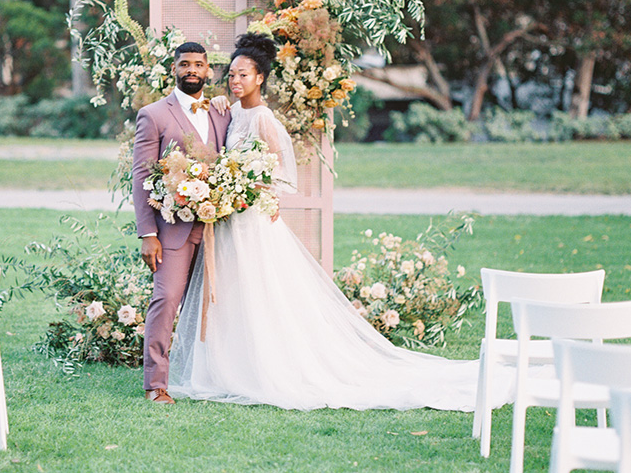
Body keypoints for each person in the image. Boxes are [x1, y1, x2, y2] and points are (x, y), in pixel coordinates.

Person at [167, 32, 513, 411]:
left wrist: (250, 188)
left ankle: (265, 368)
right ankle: (227, 367)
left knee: (259, 294)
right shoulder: (230, 112)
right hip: (231, 223)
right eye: (231, 75)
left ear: (260, 78)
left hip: (253, 222)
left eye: (243, 75)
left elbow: (282, 174)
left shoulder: (264, 118)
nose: (235, 82)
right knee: (232, 295)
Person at [132, 41, 231, 404]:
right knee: (167, 299)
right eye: (185, 64)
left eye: (199, 64)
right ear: (173, 69)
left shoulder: (222, 113)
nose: (192, 69)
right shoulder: (154, 114)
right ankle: (155, 384)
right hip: (171, 231)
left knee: (220, 303)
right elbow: (141, 177)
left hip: (216, 230)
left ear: (208, 71)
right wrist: (148, 233)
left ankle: (215, 375)